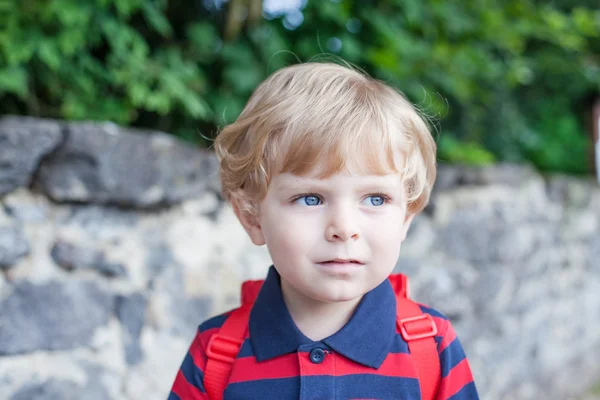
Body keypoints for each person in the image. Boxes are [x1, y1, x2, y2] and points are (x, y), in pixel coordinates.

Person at [168, 62, 479, 399]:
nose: (344, 229)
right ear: (251, 217)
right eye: (310, 198)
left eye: (375, 198)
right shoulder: (215, 353)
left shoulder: (432, 347)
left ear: (406, 217)